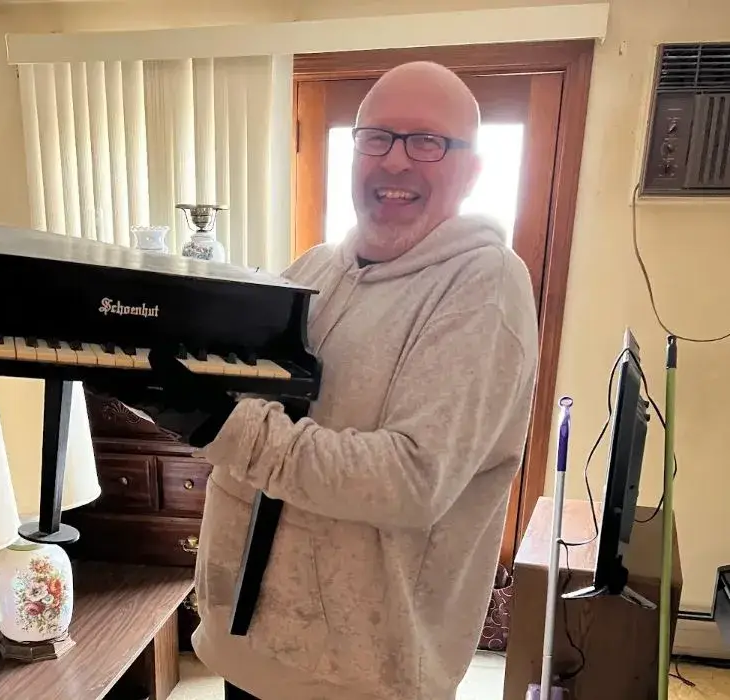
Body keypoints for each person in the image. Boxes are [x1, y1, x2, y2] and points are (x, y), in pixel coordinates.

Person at [190, 61, 539, 700]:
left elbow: (409, 482)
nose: (397, 162)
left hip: (359, 679)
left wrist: (215, 421)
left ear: (473, 169)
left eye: (428, 142)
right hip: (249, 646)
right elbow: (254, 395)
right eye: (377, 137)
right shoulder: (316, 267)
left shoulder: (485, 288)